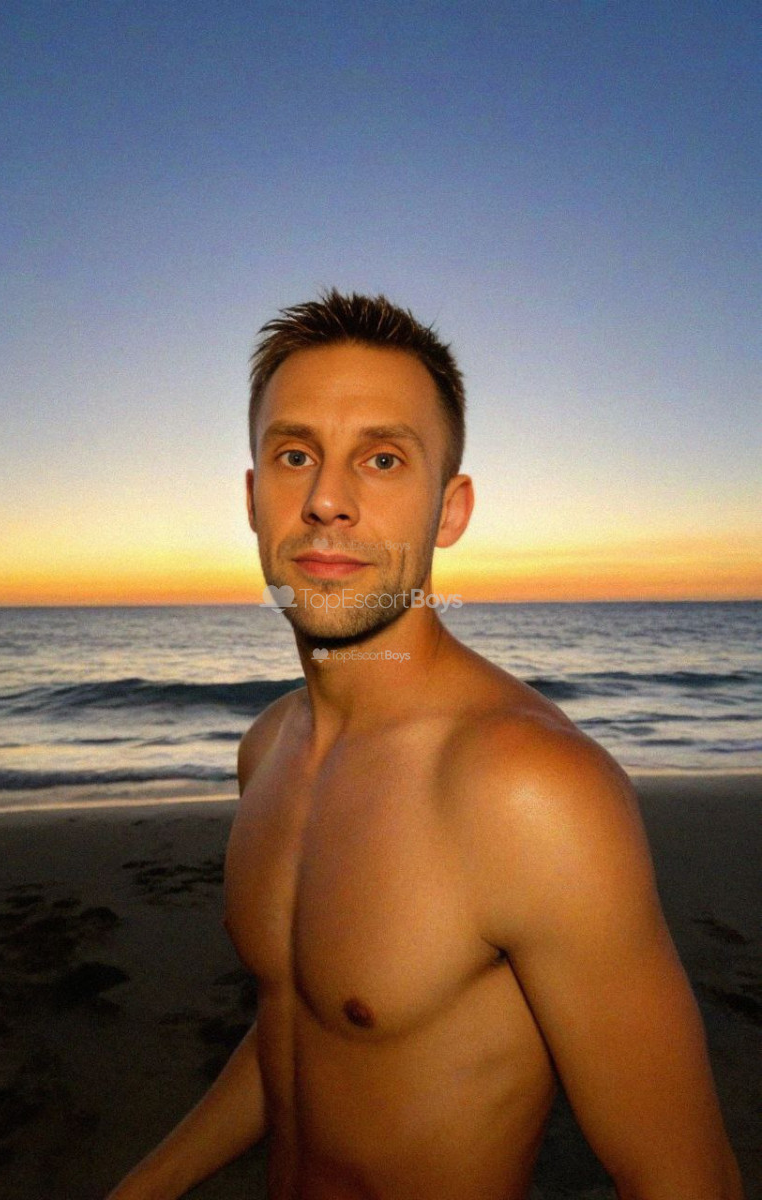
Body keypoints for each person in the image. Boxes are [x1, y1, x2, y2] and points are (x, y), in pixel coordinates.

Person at [107, 291, 744, 1199]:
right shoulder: (268, 747)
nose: (327, 500)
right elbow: (304, 1031)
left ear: (450, 510)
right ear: (252, 498)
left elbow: (684, 1178)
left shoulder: (528, 791)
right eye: (295, 456)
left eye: (382, 459)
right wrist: (145, 1186)